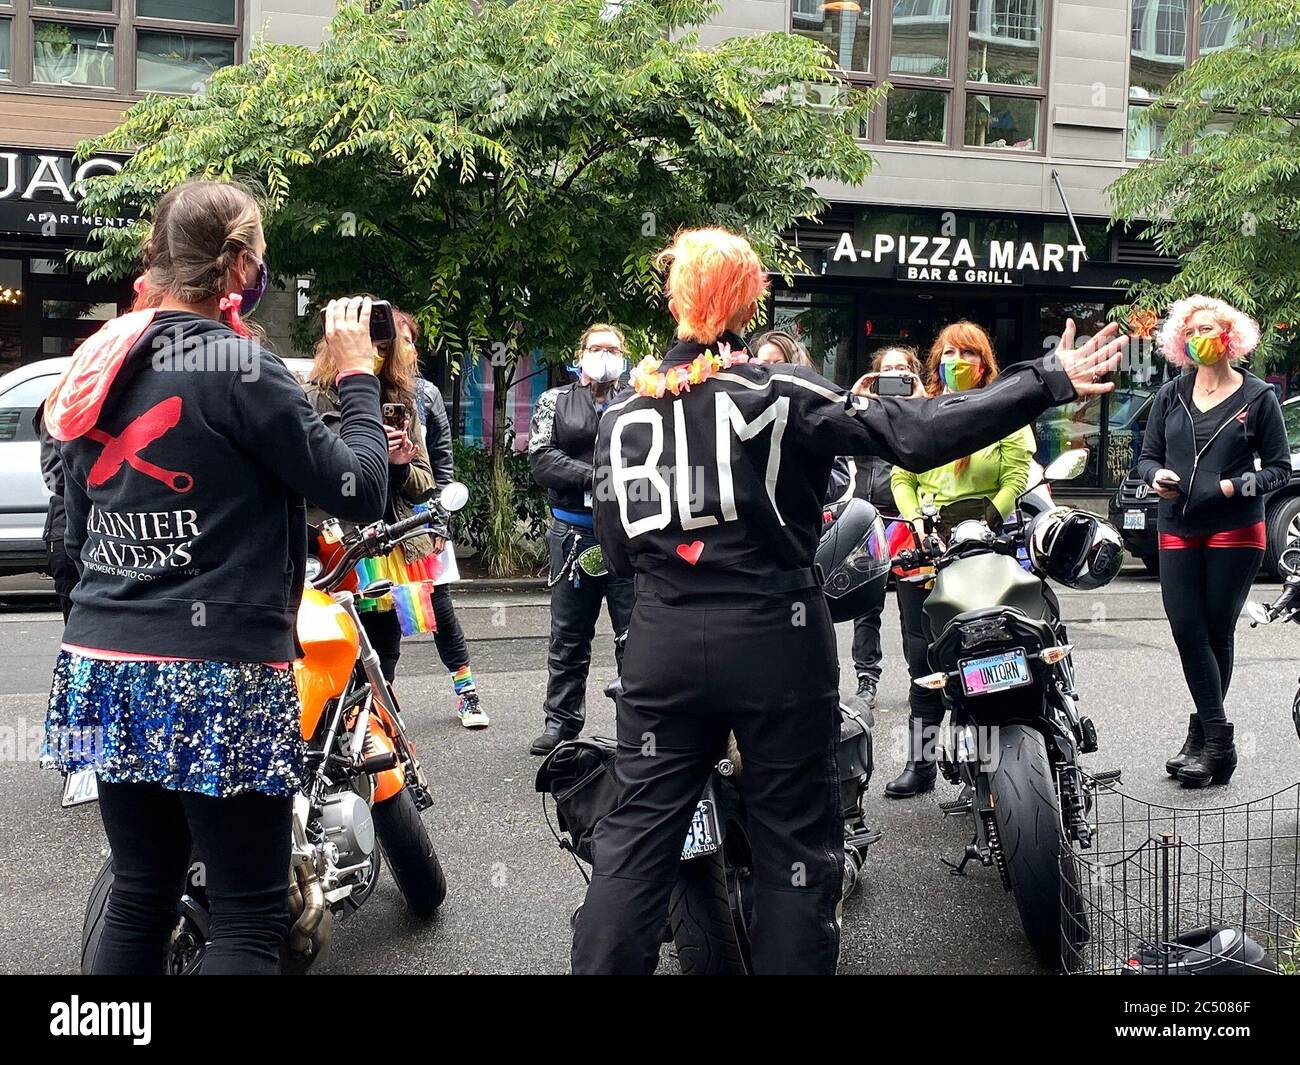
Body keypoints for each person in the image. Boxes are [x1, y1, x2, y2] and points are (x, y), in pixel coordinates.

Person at [572, 226, 1125, 974]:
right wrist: (1046, 379)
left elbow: (616, 550)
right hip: (777, 642)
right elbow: (915, 431)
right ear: (746, 301)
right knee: (794, 845)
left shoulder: (620, 419)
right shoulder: (782, 391)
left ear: (676, 298)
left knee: (634, 846)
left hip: (661, 647)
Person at [40, 179, 389, 974]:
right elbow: (358, 487)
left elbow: (77, 531)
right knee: (249, 910)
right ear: (236, 263)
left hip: (102, 662)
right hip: (216, 673)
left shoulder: (99, 356)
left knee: (141, 888)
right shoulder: (236, 362)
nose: (262, 267)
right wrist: (358, 376)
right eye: (259, 253)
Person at [307, 307, 488, 728]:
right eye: (371, 345)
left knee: (392, 638)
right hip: (343, 545)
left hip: (396, 536)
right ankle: (350, 720)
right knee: (347, 638)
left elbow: (428, 479)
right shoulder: (315, 399)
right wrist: (364, 452)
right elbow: (315, 480)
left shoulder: (406, 398)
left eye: (385, 347)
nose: (376, 354)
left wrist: (401, 463)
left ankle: (379, 720)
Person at [1138, 295, 1289, 788]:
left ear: (1232, 338)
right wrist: (1155, 475)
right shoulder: (1171, 394)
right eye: (1192, 331)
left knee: (1216, 628)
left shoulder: (1259, 396)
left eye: (1211, 329)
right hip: (1177, 522)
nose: (1201, 337)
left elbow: (1279, 470)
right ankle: (1216, 737)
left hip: (1235, 527)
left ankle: (1204, 742)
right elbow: (1146, 457)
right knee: (1187, 628)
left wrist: (1229, 486)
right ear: (1181, 343)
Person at [884, 321, 1036, 799]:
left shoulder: (1004, 412)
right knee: (924, 660)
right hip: (926, 547)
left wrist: (991, 516)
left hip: (988, 540)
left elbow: (1016, 475)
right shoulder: (920, 413)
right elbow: (901, 478)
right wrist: (917, 522)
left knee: (995, 645)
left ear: (984, 363)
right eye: (947, 353)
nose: (955, 361)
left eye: (966, 354)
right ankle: (922, 763)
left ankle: (1006, 754)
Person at [527, 323, 635, 756]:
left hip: (628, 535)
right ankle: (561, 721)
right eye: (596, 348)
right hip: (572, 531)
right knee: (569, 634)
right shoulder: (553, 401)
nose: (603, 355)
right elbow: (541, 459)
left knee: (635, 634)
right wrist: (593, 476)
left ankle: (637, 723)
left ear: (623, 355)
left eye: (611, 349)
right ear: (581, 353)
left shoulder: (640, 399)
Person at [847, 345, 926, 707]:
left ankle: (920, 680)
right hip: (866, 519)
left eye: (901, 369)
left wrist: (922, 403)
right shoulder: (862, 413)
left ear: (913, 375)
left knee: (915, 608)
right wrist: (855, 402)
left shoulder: (923, 413)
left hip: (907, 519)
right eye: (887, 370)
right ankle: (867, 679)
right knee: (867, 606)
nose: (894, 375)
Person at [413, 364, 488, 726]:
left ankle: (467, 694)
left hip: (420, 517)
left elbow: (442, 465)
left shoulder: (425, 394)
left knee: (439, 608)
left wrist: (439, 522)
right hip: (368, 520)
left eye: (408, 342)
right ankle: (375, 705)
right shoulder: (354, 388)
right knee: (372, 613)